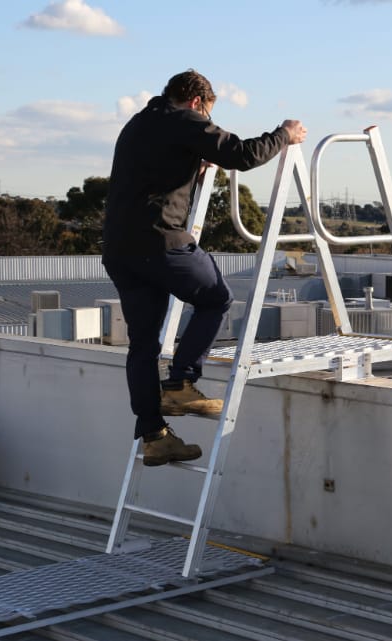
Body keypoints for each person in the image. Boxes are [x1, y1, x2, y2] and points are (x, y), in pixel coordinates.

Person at [102, 69, 307, 467]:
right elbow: (242, 155)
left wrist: (193, 167)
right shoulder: (185, 119)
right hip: (159, 242)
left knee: (143, 346)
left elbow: (157, 170)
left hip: (120, 250)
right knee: (216, 298)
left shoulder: (141, 123)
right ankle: (180, 383)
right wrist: (284, 135)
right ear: (197, 102)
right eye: (207, 114)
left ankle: (155, 436)